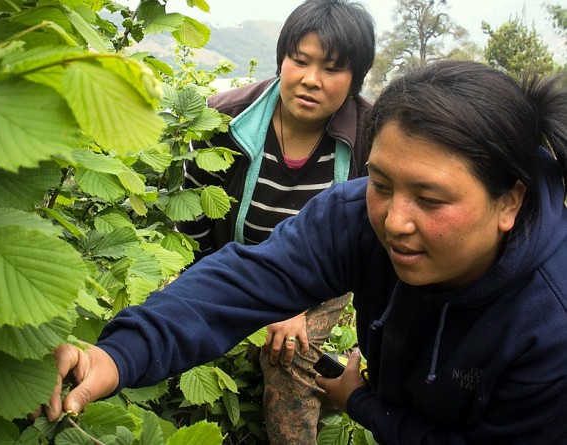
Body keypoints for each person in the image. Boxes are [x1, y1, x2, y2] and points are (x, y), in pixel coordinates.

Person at [44, 60, 567, 444]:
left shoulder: (551, 323)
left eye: (430, 199)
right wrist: (116, 354)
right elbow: (247, 281)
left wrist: (361, 403)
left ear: (509, 202)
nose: (394, 220)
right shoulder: (357, 217)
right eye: (380, 183)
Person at [175, 0, 375, 442]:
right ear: (282, 58)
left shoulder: (371, 136)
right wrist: (200, 292)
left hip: (324, 277)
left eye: (332, 69)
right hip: (242, 264)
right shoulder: (225, 119)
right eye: (299, 61)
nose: (310, 79)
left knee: (289, 354)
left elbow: (363, 237)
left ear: (354, 79)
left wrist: (297, 308)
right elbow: (193, 224)